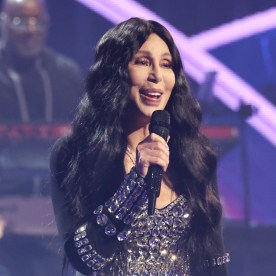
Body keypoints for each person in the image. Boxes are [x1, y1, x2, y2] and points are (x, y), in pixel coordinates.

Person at [50, 17, 230, 276]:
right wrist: (136, 183)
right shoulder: (74, 154)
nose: (156, 75)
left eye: (166, 64)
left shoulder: (196, 158)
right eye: (143, 62)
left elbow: (213, 264)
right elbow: (83, 258)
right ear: (116, 71)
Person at [0, 0, 82, 123]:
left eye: (38, 21)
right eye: (20, 21)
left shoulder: (66, 74)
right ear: (3, 23)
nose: (30, 30)